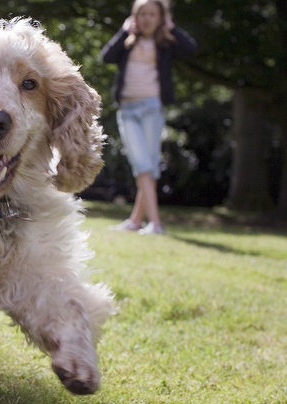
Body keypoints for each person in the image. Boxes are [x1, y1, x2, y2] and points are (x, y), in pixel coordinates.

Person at [102, 0, 197, 234]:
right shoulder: (127, 42)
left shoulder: (165, 43)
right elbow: (106, 57)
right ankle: (152, 222)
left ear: (160, 18)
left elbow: (191, 49)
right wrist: (123, 31)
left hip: (152, 109)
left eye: (152, 14)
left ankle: (144, 222)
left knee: (148, 165)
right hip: (128, 110)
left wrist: (171, 27)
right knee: (143, 164)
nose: (147, 18)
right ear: (135, 17)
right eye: (142, 14)